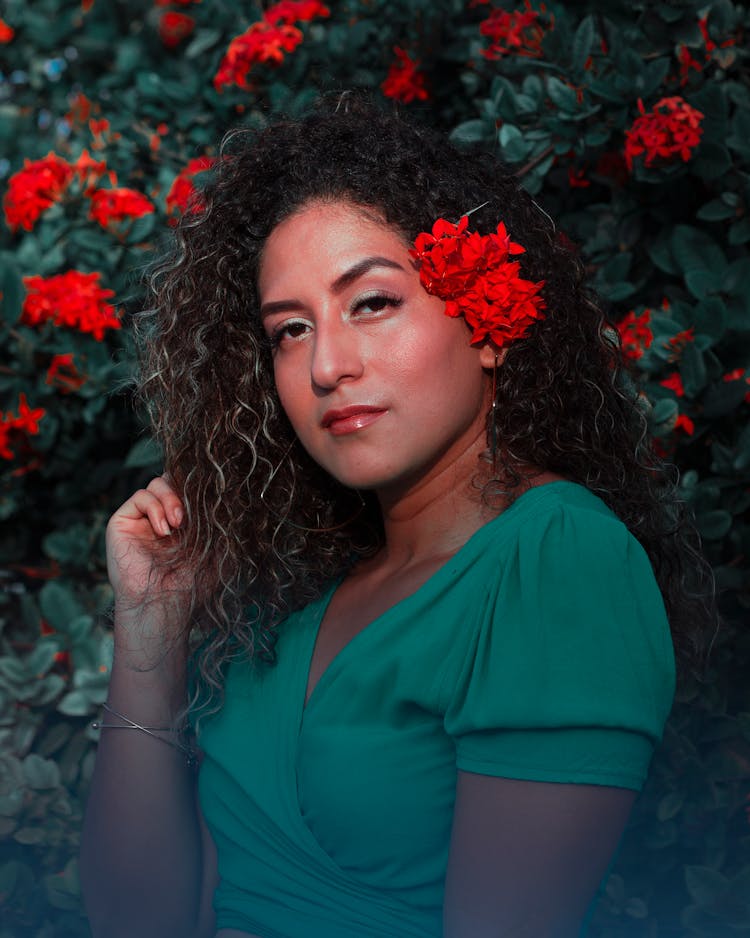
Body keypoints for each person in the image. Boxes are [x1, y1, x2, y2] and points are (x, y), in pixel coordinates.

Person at [80, 96, 714, 938]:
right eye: (290, 331)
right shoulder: (298, 595)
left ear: (489, 321)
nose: (328, 366)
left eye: (371, 302)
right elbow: (136, 922)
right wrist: (149, 636)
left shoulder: (556, 561)